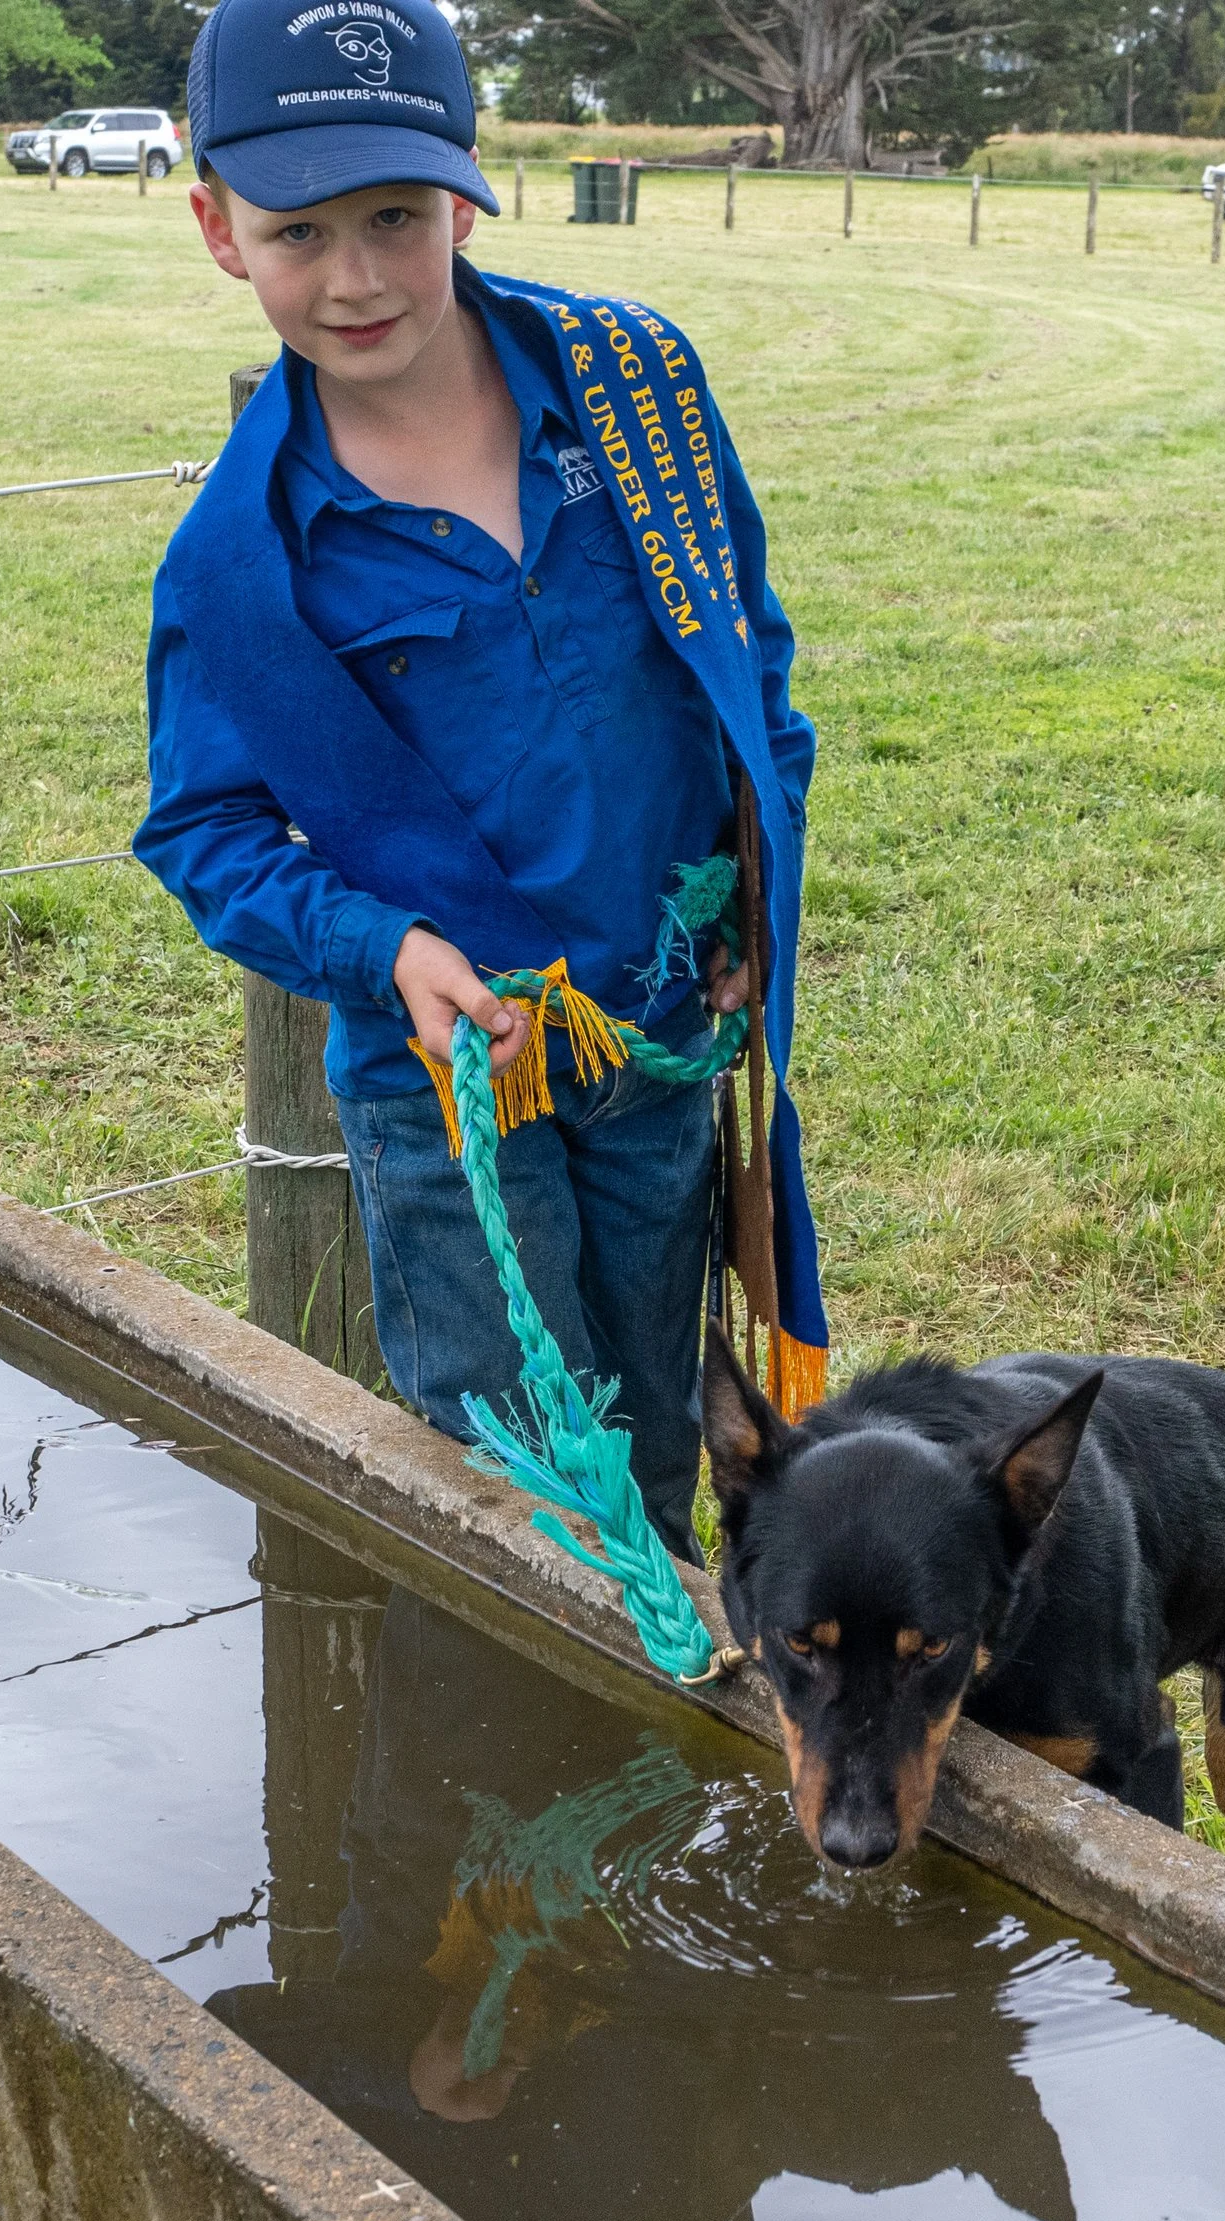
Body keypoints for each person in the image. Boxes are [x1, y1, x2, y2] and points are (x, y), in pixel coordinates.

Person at [136, 0, 828, 1555]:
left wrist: (747, 920)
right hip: (446, 1095)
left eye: (395, 216)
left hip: (656, 1041)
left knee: (669, 1434)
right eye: (297, 231)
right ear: (216, 230)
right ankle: (521, 1783)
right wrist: (378, 949)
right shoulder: (241, 563)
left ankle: (665, 1737)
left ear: (464, 190)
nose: (359, 275)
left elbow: (748, 669)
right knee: (529, 1491)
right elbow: (203, 829)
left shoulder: (635, 391)